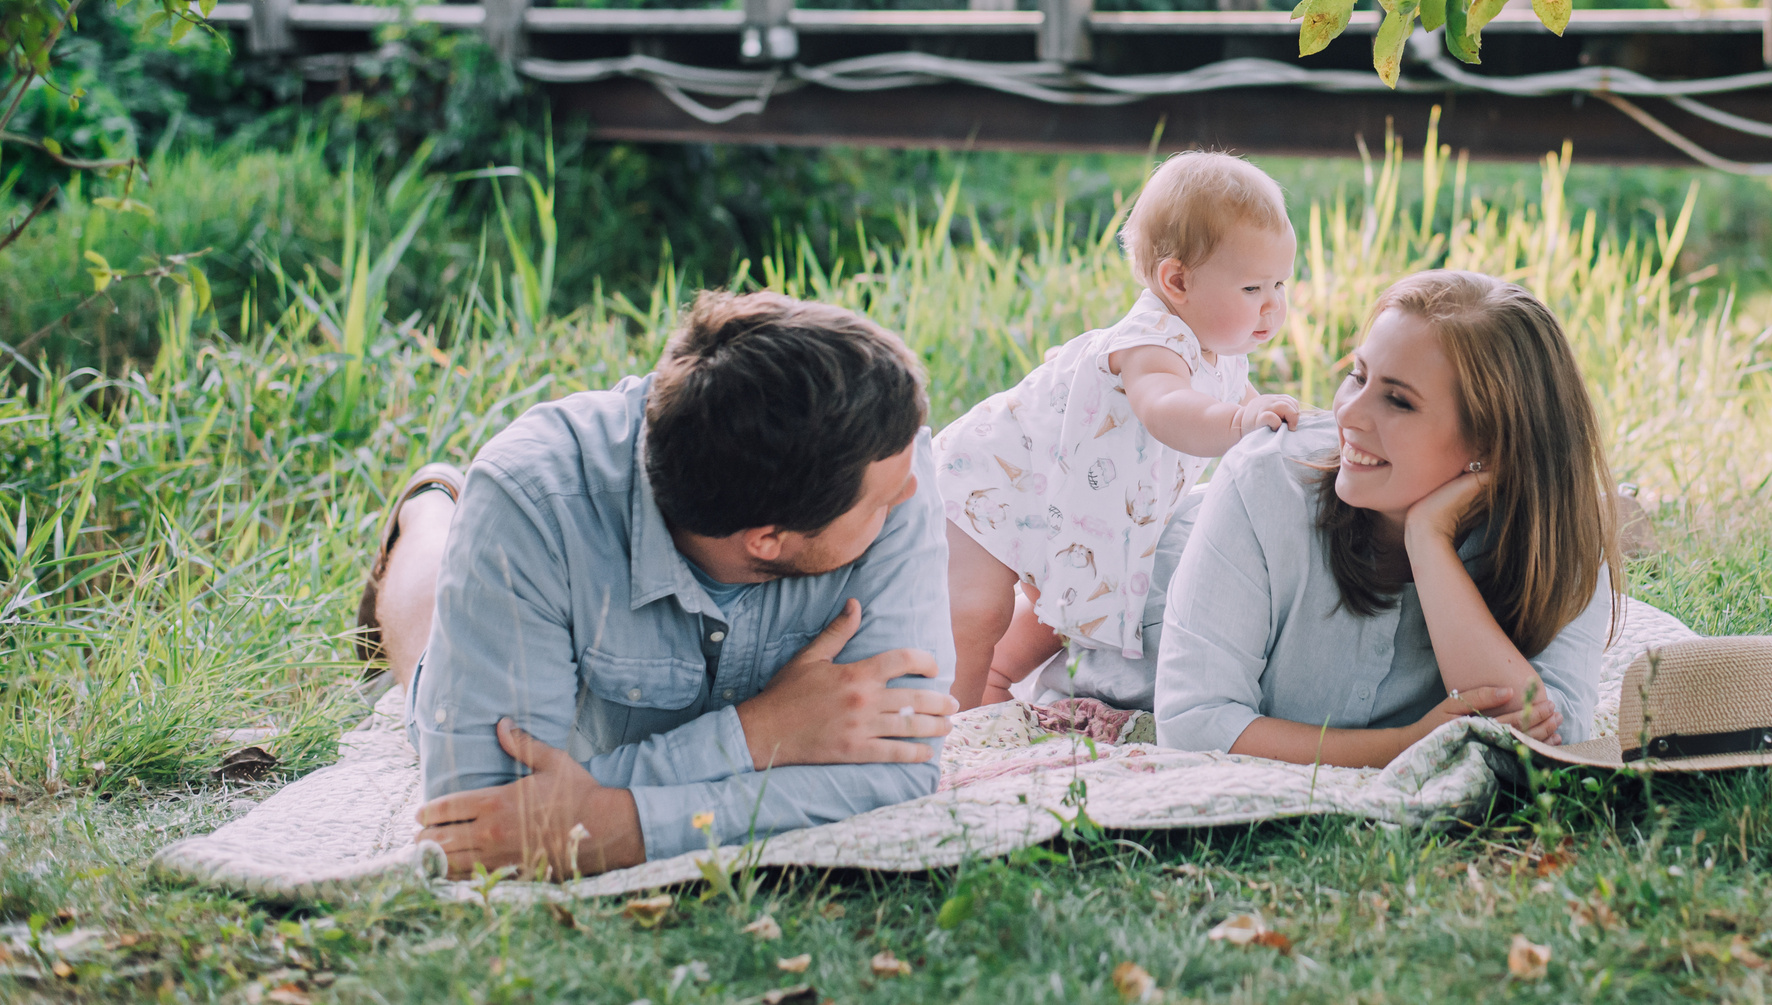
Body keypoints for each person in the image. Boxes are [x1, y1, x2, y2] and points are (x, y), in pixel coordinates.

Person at [359, 290, 959, 879]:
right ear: (766, 539)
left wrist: (624, 826)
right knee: (426, 691)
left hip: (591, 719)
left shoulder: (887, 464)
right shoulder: (531, 499)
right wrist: (756, 736)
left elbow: (898, 772)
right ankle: (429, 516)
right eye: (882, 500)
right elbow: (488, 816)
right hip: (525, 563)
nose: (909, 494)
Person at [1154, 270, 1621, 765]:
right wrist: (1405, 745)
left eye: (1398, 400)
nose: (1348, 414)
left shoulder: (1557, 534)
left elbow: (1551, 746)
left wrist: (1429, 540)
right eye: (1357, 375)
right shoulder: (1262, 482)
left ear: (1491, 445)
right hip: (1120, 603)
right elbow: (1193, 722)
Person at [935, 151, 1302, 710]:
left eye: (1281, 283)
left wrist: (1284, 439)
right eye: (1253, 289)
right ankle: (948, 732)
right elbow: (1166, 407)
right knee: (976, 613)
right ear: (1176, 281)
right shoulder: (1152, 340)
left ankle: (995, 687)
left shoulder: (1219, 353)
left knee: (1061, 606)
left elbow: (1247, 431)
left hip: (1071, 507)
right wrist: (1240, 421)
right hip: (993, 484)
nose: (1273, 306)